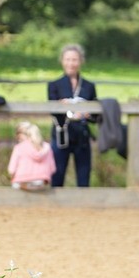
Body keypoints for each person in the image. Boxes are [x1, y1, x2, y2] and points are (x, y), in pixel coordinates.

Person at [48, 43, 97, 187]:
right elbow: (52, 110)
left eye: (74, 59)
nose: (71, 63)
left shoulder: (88, 86)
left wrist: (88, 114)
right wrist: (61, 106)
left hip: (82, 136)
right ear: (62, 61)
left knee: (83, 176)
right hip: (61, 135)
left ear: (81, 61)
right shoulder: (54, 85)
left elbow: (95, 114)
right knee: (57, 175)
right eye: (68, 59)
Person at [8, 121, 56, 191]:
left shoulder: (19, 147)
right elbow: (53, 169)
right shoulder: (47, 147)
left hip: (22, 183)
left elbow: (11, 170)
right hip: (41, 183)